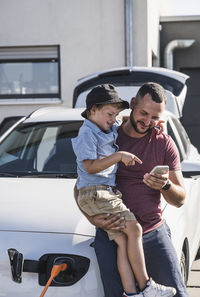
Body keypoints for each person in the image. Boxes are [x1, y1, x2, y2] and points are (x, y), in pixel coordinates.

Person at [72, 84, 176, 297]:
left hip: (153, 229)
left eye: (154, 117)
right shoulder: (103, 133)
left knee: (177, 293)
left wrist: (165, 184)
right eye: (143, 113)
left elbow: (180, 198)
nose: (147, 121)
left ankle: (136, 292)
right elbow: (82, 184)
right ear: (133, 106)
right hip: (111, 223)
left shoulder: (160, 140)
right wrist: (92, 219)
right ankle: (143, 288)